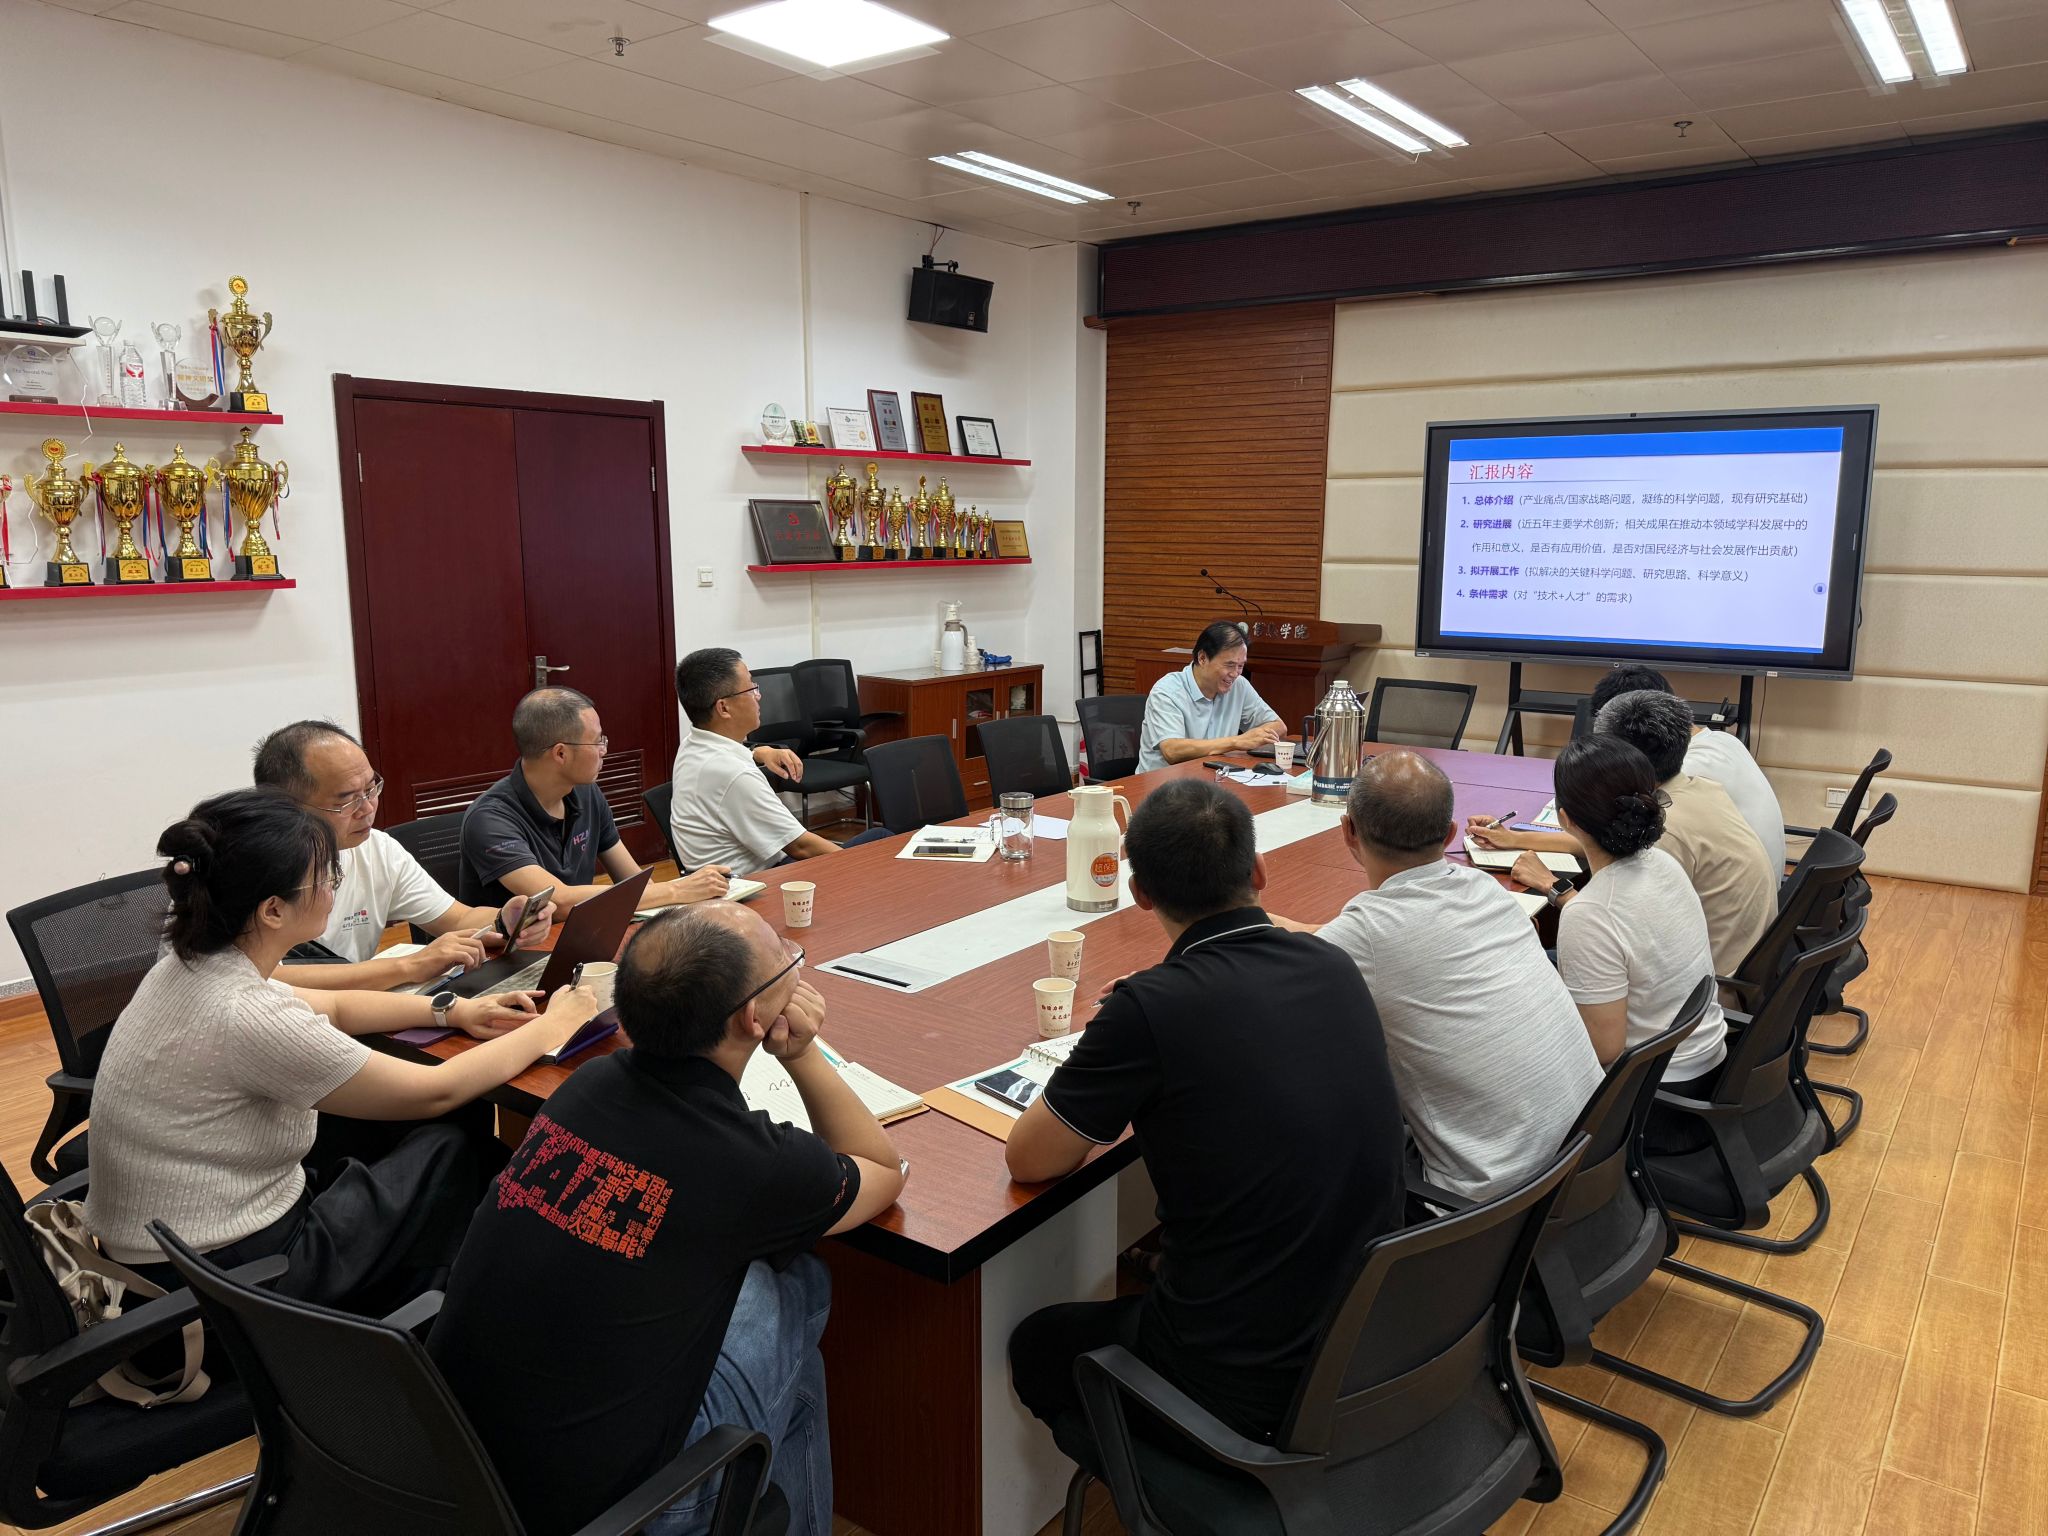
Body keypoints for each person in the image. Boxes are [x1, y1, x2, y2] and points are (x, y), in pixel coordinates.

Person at [429, 902, 907, 1536]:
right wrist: (803, 1053)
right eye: (786, 960)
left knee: (771, 1324)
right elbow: (883, 1169)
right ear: (753, 1017)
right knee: (798, 1283)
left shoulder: (587, 1086)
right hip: (619, 1510)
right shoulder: (749, 1162)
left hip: (456, 1467)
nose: (797, 964)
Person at [85, 787, 599, 1313]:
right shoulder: (246, 1012)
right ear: (273, 910)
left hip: (180, 1250)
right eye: (326, 877)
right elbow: (435, 1090)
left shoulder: (191, 964)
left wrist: (450, 1011)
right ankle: (479, 1304)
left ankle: (460, 1285)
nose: (335, 886)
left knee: (442, 1143)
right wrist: (552, 1025)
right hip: (230, 1281)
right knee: (449, 1146)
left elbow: (335, 1006)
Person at [1006, 779, 1404, 1442]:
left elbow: (1029, 1159)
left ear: (1140, 894)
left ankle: (1164, 1476)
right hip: (1369, 1332)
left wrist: (1133, 1029)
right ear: (1259, 871)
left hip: (1241, 1382)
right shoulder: (1333, 964)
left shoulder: (1150, 1009)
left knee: (1038, 1344)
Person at [1295, 750, 1603, 1202]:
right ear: (1450, 835)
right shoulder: (1485, 889)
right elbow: (1358, 941)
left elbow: (1327, 959)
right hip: (1586, 1163)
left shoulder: (1363, 935)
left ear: (1347, 832)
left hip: (1487, 1209)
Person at [1474, 689, 1776, 978]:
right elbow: (1601, 838)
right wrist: (1514, 838)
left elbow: (1619, 929)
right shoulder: (1698, 790)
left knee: (1511, 962)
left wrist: (1552, 886)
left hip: (1701, 982)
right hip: (1725, 966)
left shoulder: (1667, 835)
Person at [253, 719, 556, 991]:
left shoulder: (376, 849)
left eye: (371, 789)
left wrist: (506, 921)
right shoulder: (250, 871)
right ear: (285, 807)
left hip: (358, 1008)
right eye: (347, 800)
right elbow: (262, 980)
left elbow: (457, 918)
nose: (368, 808)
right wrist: (407, 966)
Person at [1536, 735, 1729, 1147]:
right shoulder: (1663, 862)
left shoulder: (1590, 914)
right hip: (1708, 1066)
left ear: (1565, 819)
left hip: (1655, 1103)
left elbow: (1604, 1050)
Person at [459, 687, 730, 912]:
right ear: (561, 754)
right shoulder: (490, 819)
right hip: (517, 952)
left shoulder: (585, 793)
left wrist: (677, 896)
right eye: (597, 741)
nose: (604, 751)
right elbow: (557, 900)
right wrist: (676, 889)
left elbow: (634, 881)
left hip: (584, 933)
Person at [1587, 664, 1786, 872]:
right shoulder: (1724, 740)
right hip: (1759, 882)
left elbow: (1628, 845)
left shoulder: (1685, 771)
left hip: (1724, 888)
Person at [669, 648, 847, 876]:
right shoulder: (733, 775)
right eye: (751, 688)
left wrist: (758, 752)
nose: (759, 696)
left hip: (731, 875)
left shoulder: (692, 744)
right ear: (724, 708)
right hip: (759, 882)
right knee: (877, 845)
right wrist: (861, 865)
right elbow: (801, 847)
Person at [1136, 619, 1284, 771]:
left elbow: (1279, 726)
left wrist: (1256, 736)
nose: (1235, 673)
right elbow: (1172, 750)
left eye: (1241, 666)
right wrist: (1236, 742)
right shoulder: (1167, 691)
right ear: (1202, 658)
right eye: (1229, 665)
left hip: (1215, 778)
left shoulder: (1239, 685)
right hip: (1164, 782)